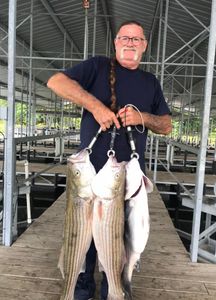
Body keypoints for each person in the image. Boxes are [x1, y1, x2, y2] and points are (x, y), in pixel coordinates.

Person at [47, 20, 172, 300]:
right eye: (125, 38)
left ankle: (112, 289)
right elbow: (56, 81)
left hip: (128, 178)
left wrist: (142, 117)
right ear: (116, 43)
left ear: (144, 46)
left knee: (121, 238)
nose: (130, 43)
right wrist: (95, 106)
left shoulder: (150, 82)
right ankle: (81, 288)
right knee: (82, 235)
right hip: (90, 174)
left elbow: (166, 125)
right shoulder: (97, 67)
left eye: (137, 39)